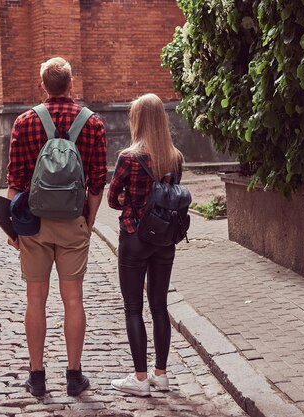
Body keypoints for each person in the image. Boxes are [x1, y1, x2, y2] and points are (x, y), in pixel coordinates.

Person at [6, 57, 107, 397]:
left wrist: (12, 227)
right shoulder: (92, 123)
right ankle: (74, 376)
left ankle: (36, 376)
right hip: (73, 222)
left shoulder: (24, 122)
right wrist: (88, 221)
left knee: (35, 299)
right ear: (71, 83)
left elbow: (15, 181)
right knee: (73, 298)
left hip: (33, 224)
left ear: (43, 86)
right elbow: (97, 182)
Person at [107, 93, 184, 396]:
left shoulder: (129, 156)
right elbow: (170, 195)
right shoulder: (175, 157)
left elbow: (113, 199)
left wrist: (127, 198)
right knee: (160, 306)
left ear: (137, 120)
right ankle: (161, 375)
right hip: (165, 239)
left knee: (133, 309)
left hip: (135, 236)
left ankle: (140, 379)